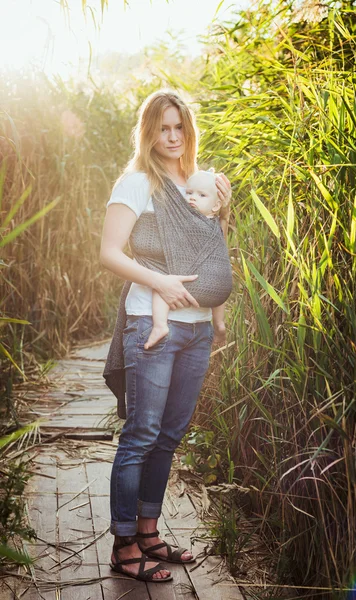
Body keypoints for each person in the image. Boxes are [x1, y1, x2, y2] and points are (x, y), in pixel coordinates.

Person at [100, 89, 232, 583]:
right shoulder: (136, 183)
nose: (172, 137)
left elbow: (212, 249)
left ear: (189, 129)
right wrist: (160, 283)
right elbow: (110, 253)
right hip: (150, 324)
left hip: (197, 332)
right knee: (141, 436)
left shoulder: (199, 182)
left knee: (169, 436)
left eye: (180, 127)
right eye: (163, 128)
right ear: (148, 131)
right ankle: (124, 543)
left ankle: (149, 530)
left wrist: (217, 314)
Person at [144, 169, 227, 351]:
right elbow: (222, 237)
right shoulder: (214, 223)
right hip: (202, 284)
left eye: (201, 195)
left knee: (164, 281)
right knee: (217, 276)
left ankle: (161, 325)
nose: (192, 198)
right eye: (189, 193)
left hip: (196, 280)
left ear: (215, 206)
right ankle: (218, 323)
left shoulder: (193, 221)